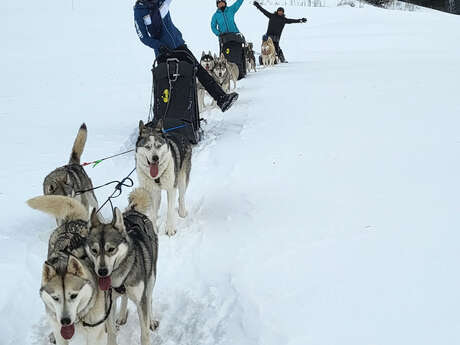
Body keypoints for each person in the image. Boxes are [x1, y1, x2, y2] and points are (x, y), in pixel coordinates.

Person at [134, 0, 238, 112]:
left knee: (199, 71)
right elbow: (143, 37)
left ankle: (222, 99)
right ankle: (163, 116)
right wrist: (159, 46)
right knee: (168, 84)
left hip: (179, 45)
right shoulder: (139, 10)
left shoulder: (161, 1)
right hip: (163, 52)